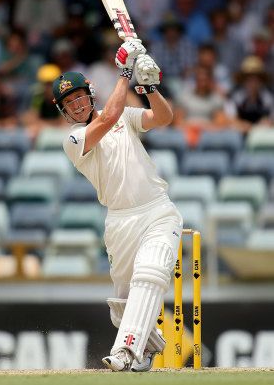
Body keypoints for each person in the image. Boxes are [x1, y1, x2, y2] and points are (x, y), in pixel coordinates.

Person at [52, 39, 183, 372]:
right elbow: (108, 118)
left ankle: (125, 351)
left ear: (90, 94)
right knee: (122, 304)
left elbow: (163, 118)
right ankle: (150, 340)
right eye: (70, 102)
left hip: (157, 210)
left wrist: (149, 86)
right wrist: (125, 73)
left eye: (80, 96)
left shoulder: (125, 115)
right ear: (63, 111)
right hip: (120, 222)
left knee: (151, 273)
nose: (78, 105)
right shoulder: (74, 140)